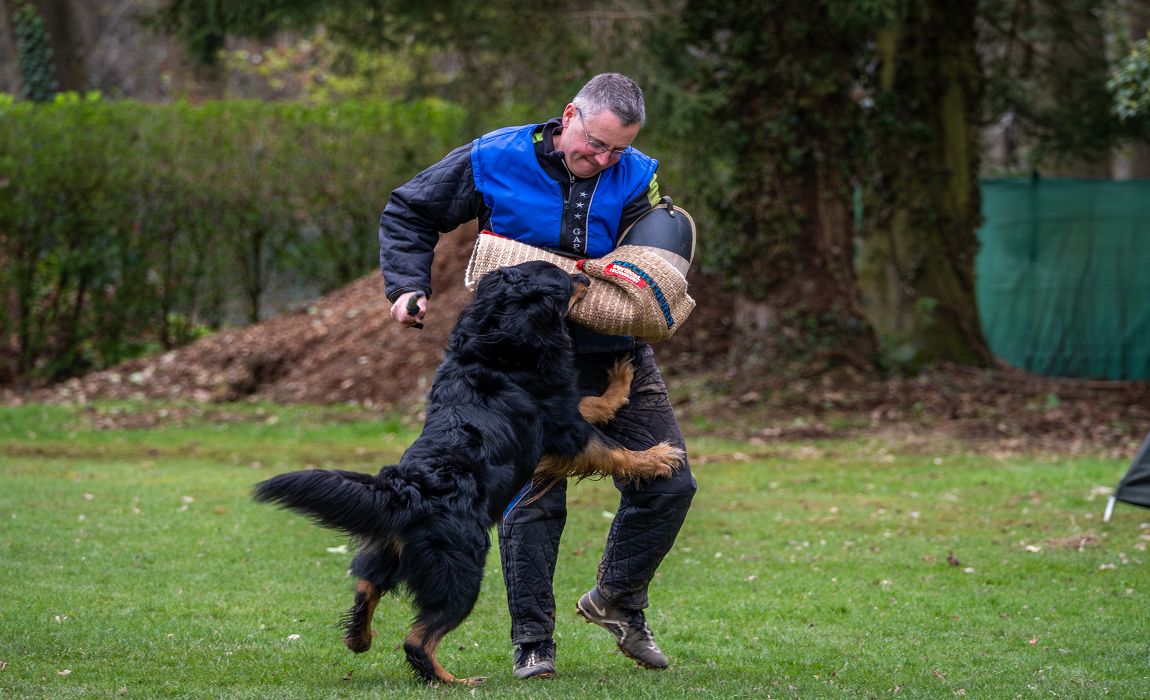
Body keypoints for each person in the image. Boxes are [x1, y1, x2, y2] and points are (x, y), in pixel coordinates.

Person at [377, 72, 696, 679]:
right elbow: (410, 210)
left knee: (671, 484)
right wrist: (407, 285)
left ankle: (617, 601)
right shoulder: (494, 156)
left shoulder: (640, 174)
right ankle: (533, 644)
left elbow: (650, 251)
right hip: (520, 362)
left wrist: (655, 285)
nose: (601, 160)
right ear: (569, 115)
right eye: (593, 144)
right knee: (534, 497)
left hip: (613, 352)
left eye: (616, 151)